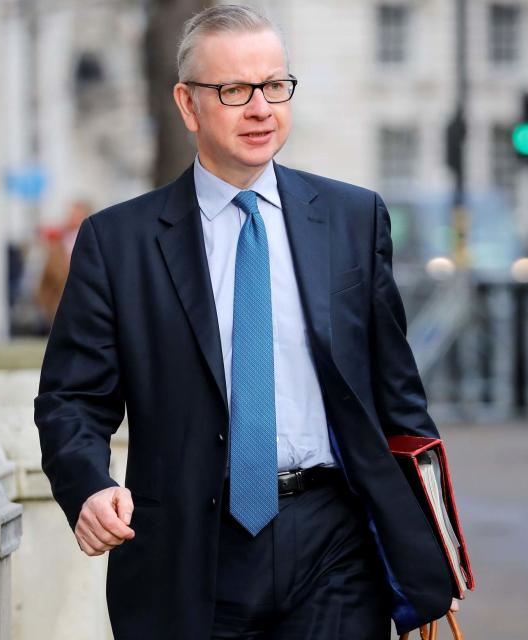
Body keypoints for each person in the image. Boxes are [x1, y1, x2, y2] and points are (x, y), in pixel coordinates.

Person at [34, 5, 457, 639]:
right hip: (189, 548)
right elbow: (70, 400)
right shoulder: (117, 243)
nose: (260, 107)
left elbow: (398, 401)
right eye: (234, 90)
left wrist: (428, 550)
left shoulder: (353, 219)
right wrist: (89, 486)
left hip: (333, 540)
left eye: (274, 86)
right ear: (188, 104)